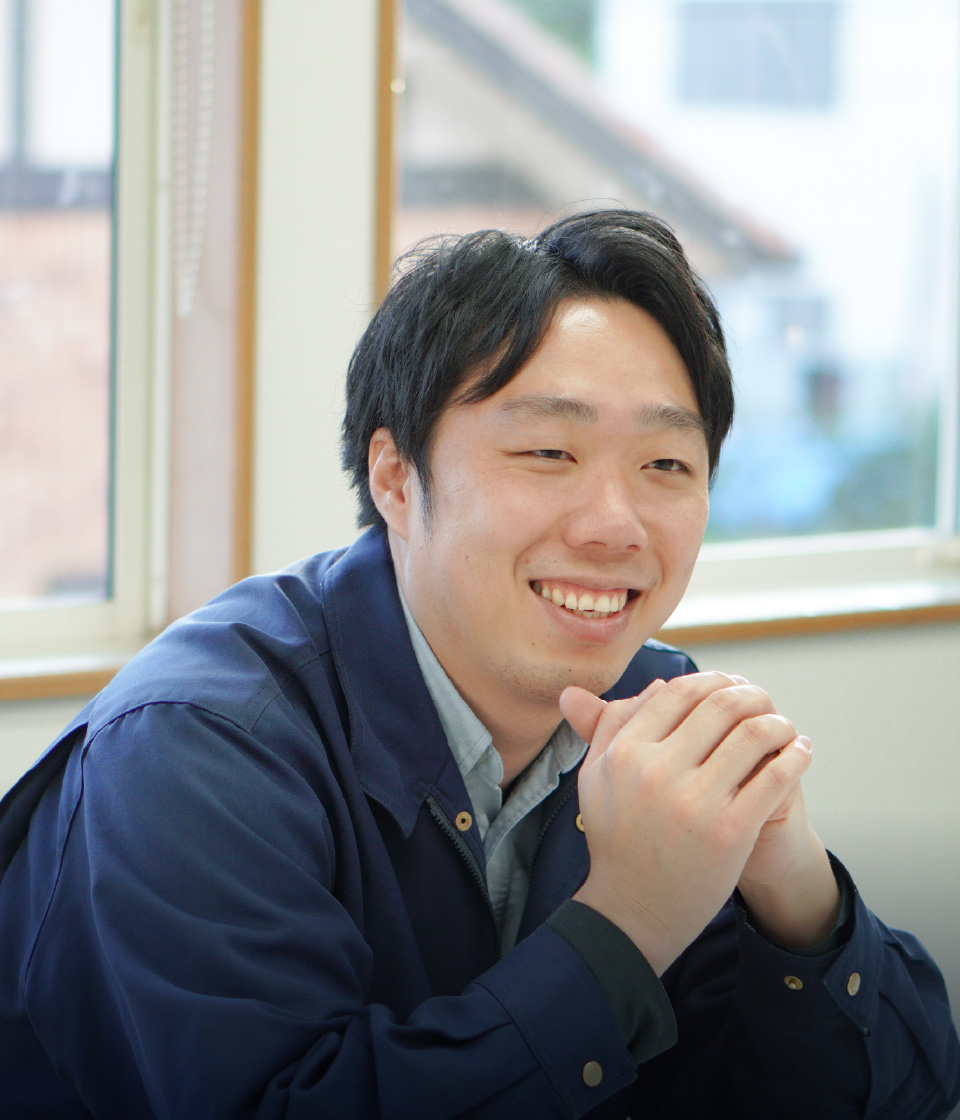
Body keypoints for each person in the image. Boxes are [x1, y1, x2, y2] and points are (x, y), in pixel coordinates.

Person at [1, 210, 958, 1119]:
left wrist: (794, 892)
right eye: (549, 451)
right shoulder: (194, 750)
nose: (616, 525)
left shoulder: (647, 706)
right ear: (394, 477)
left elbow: (889, 1096)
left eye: (666, 465)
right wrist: (626, 923)